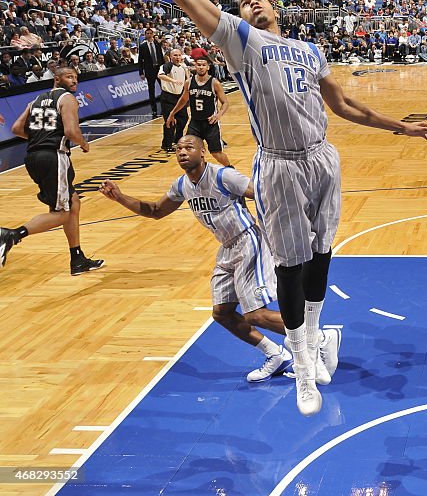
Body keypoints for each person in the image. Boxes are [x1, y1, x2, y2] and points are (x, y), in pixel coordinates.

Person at [121, 0, 427, 416]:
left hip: (323, 158)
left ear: (278, 8)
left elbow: (345, 105)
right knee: (289, 266)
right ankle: (300, 367)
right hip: (281, 164)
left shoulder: (310, 50)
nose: (255, 3)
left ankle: (312, 340)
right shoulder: (241, 41)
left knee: (320, 253)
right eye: (245, 2)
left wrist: (401, 127)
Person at [99, 135, 340, 384]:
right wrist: (120, 197)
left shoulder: (223, 176)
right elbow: (155, 211)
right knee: (222, 313)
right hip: (227, 248)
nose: (182, 152)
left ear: (202, 152)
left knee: (254, 315)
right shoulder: (182, 185)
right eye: (178, 148)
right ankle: (275, 354)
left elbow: (261, 194)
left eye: (189, 147)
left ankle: (320, 339)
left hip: (249, 242)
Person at [0, 66, 104, 274]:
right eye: (69, 77)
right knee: (62, 214)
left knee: (73, 203)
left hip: (33, 156)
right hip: (54, 157)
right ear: (57, 79)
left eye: (76, 77)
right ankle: (12, 235)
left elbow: (16, 129)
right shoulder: (67, 99)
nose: (74, 81)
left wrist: (40, 138)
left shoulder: (36, 100)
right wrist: (83, 143)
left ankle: (77, 258)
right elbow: (71, 131)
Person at [165, 57, 232, 166]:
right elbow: (183, 99)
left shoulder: (214, 83)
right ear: (195, 66)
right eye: (198, 65)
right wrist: (172, 114)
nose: (201, 67)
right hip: (195, 122)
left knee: (216, 153)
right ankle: (199, 172)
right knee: (188, 149)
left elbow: (225, 103)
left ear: (208, 67)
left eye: (203, 65)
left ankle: (231, 170)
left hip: (210, 123)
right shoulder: (189, 82)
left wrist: (218, 115)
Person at [158, 48, 190, 151]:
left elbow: (187, 79)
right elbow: (160, 75)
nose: (177, 57)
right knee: (170, 121)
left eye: (179, 55)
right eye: (175, 55)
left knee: (183, 118)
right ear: (170, 57)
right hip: (168, 97)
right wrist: (173, 81)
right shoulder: (167, 66)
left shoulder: (183, 67)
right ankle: (166, 144)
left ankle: (177, 139)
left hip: (179, 97)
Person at [138, 27, 163, 118]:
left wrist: (164, 69)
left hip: (159, 69)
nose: (149, 35)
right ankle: (154, 110)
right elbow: (140, 60)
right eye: (147, 33)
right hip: (149, 70)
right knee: (151, 90)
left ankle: (165, 107)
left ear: (153, 34)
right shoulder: (143, 46)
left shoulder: (157, 44)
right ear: (145, 35)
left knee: (164, 88)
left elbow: (161, 56)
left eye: (150, 33)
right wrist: (141, 72)